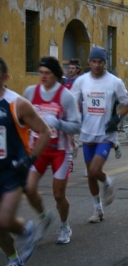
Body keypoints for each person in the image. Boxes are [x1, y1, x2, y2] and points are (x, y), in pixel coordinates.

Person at [71, 46, 128, 223]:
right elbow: (70, 101)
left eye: (100, 62)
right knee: (91, 175)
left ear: (105, 63)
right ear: (89, 62)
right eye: (93, 61)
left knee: (95, 170)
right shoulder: (81, 81)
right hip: (87, 132)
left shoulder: (114, 82)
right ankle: (97, 210)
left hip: (106, 133)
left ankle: (108, 182)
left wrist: (118, 118)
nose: (97, 65)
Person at [23, 56, 81, 244]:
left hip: (60, 151)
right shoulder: (31, 92)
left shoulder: (66, 96)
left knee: (58, 194)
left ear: (56, 75)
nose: (43, 76)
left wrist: (58, 123)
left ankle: (64, 226)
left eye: (47, 73)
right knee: (29, 189)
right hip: (38, 148)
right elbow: (21, 118)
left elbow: (76, 126)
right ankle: (44, 217)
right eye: (40, 72)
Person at [0, 57, 51, 265]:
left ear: (5, 77)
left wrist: (30, 158)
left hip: (13, 169)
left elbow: (45, 131)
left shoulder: (17, 104)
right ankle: (13, 259)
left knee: (3, 220)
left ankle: (25, 231)